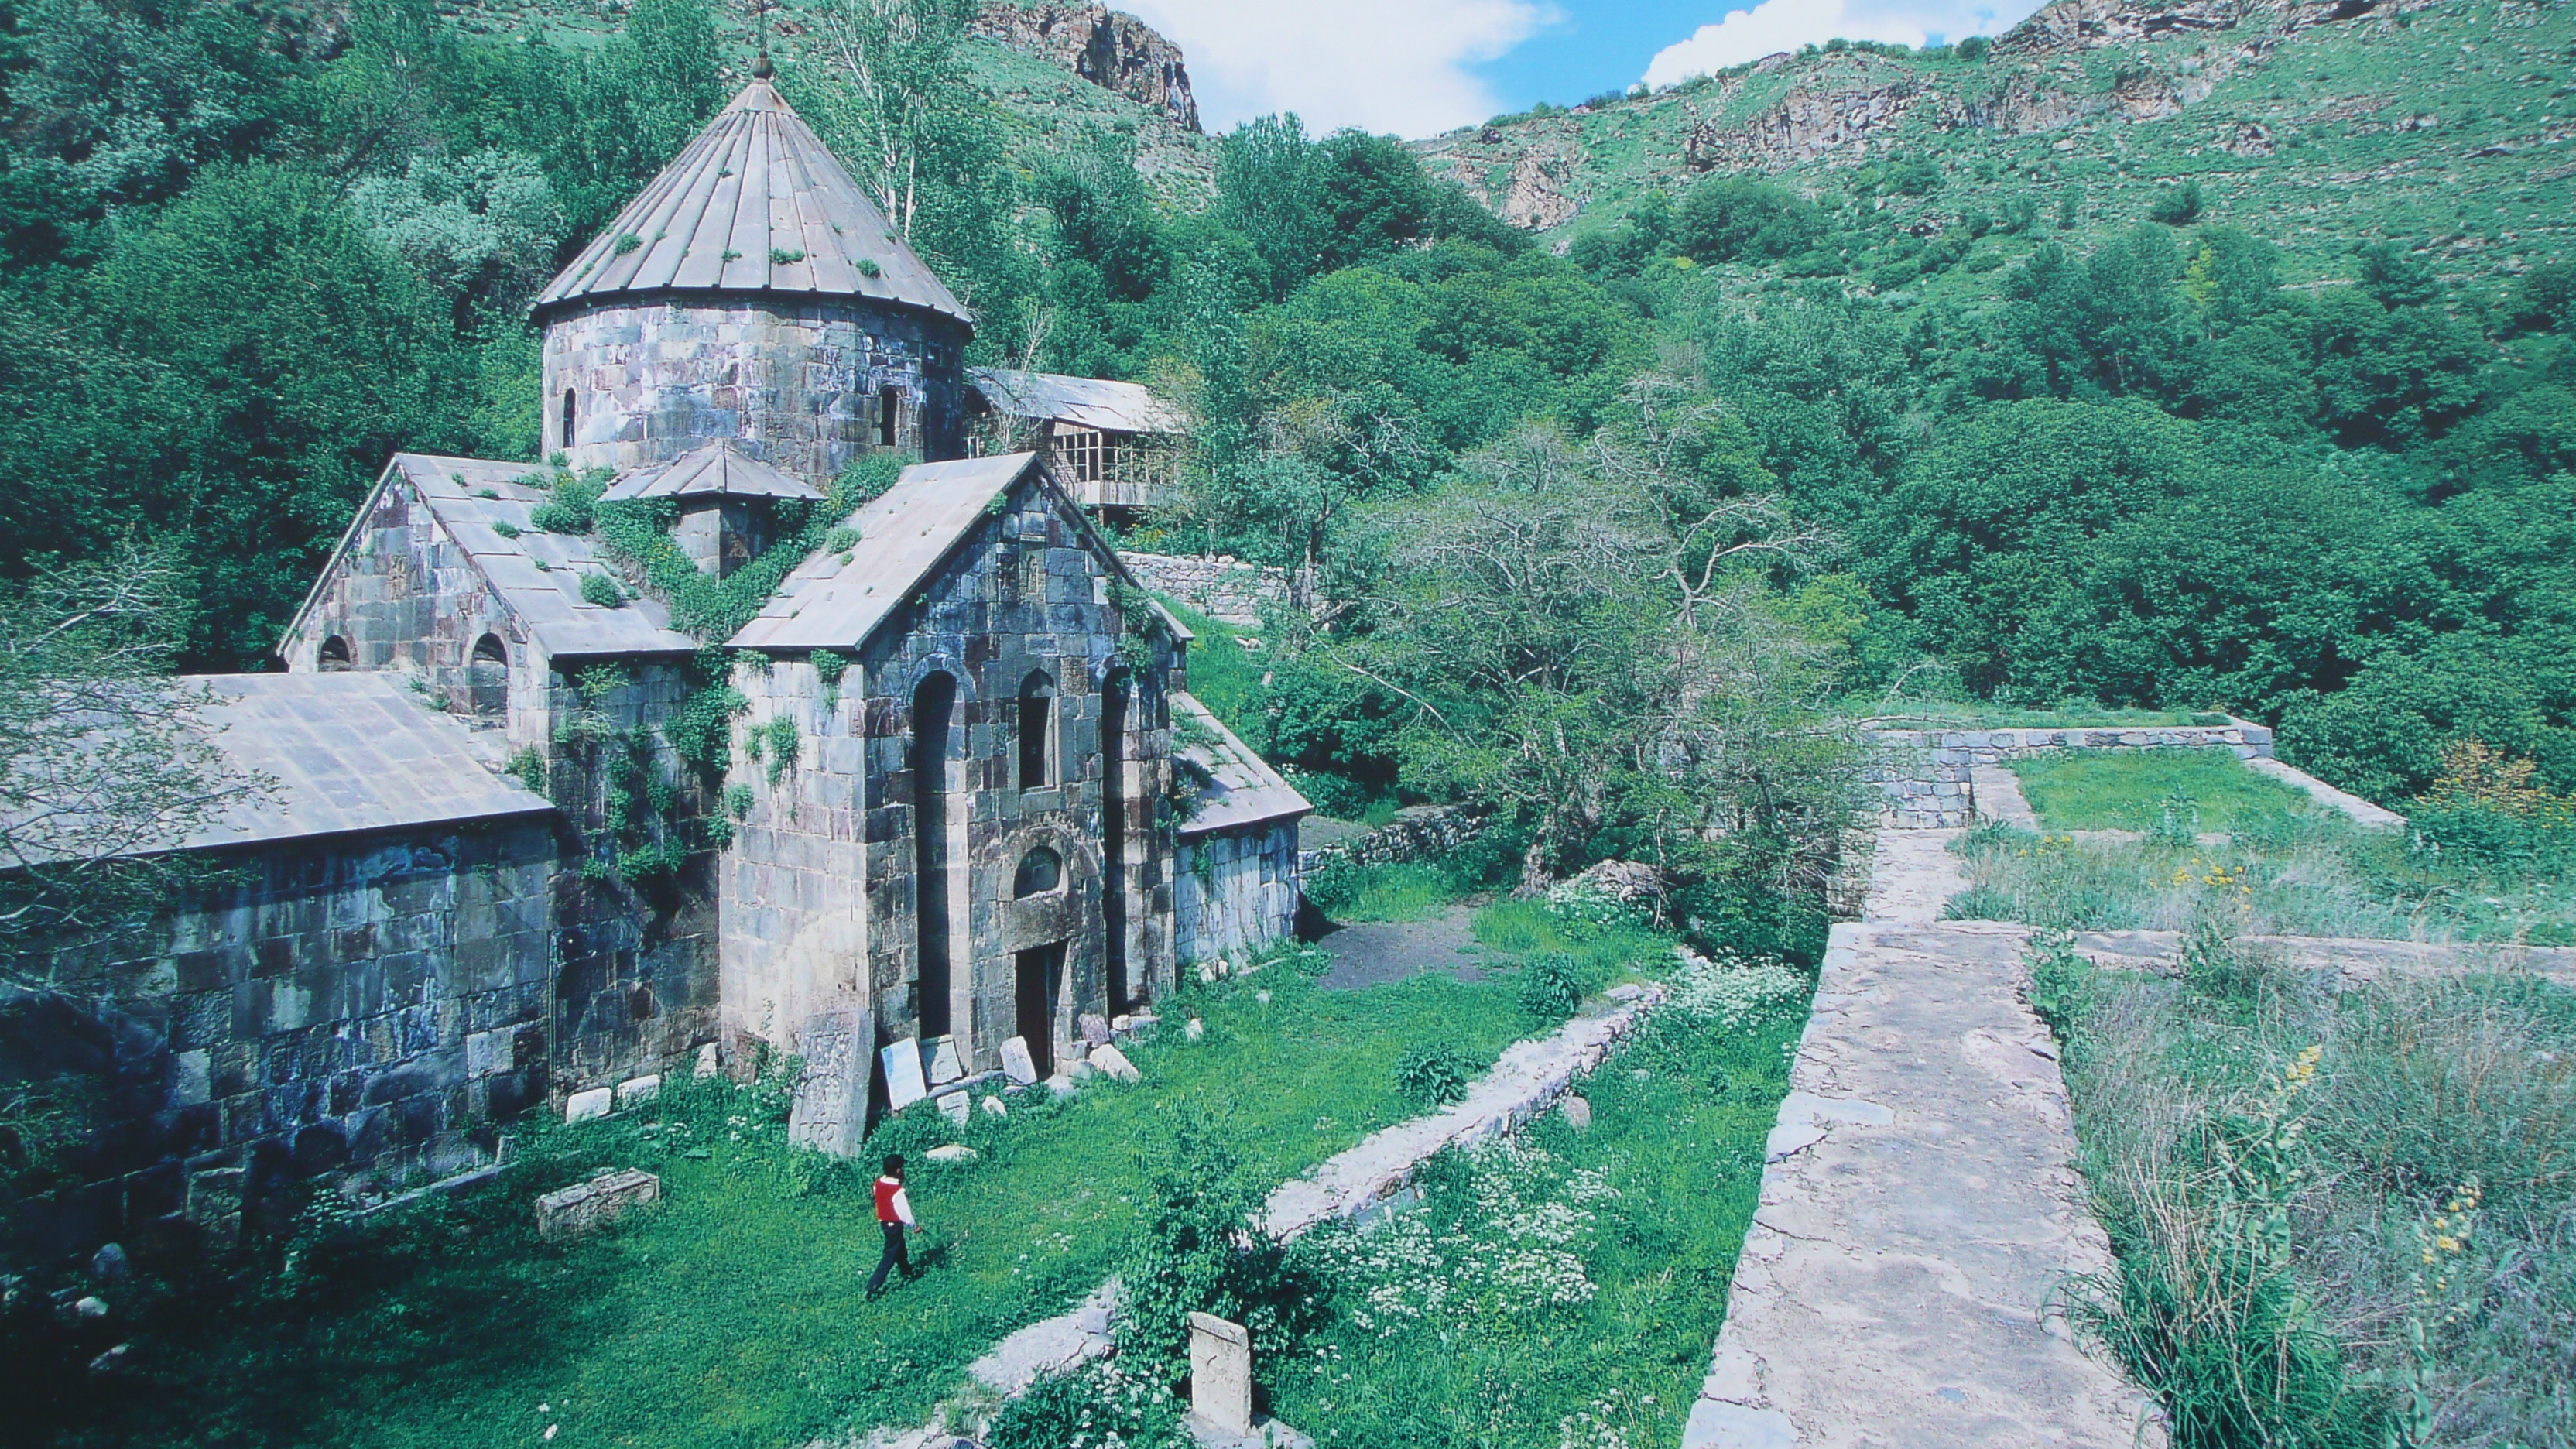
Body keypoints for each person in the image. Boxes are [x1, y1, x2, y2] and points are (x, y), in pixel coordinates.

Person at [867, 1153, 917, 1296]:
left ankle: (907, 1271)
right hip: (894, 1225)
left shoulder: (878, 1184)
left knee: (899, 1247)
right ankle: (873, 1286)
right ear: (898, 1171)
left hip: (884, 1222)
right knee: (890, 1255)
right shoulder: (897, 1191)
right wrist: (914, 1226)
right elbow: (904, 1214)